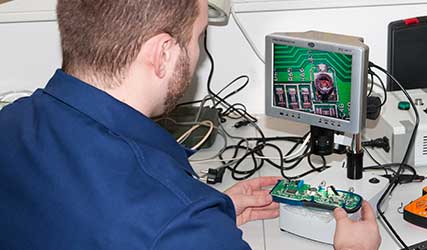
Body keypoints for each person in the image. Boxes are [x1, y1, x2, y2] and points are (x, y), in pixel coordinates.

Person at [0, 0, 381, 249]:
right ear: (163, 53)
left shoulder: (10, 123)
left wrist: (215, 207)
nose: (199, 54)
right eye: (199, 37)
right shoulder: (183, 225)